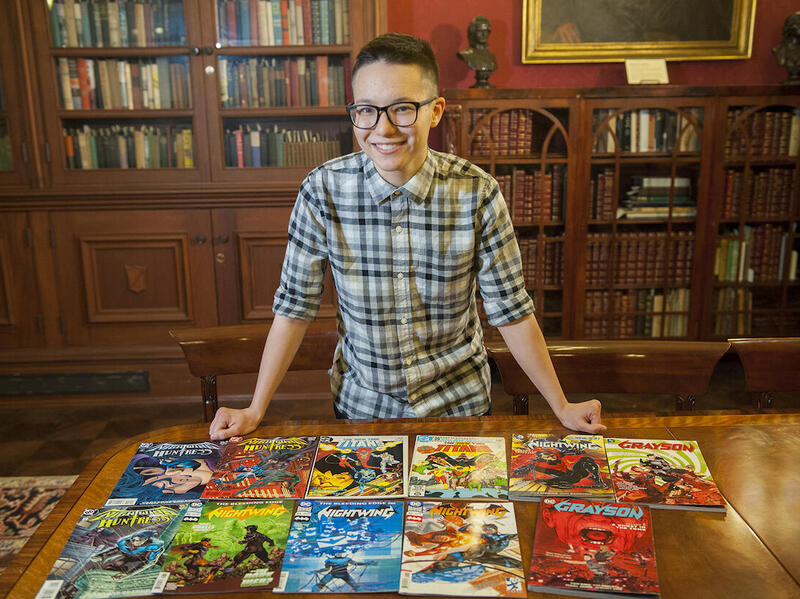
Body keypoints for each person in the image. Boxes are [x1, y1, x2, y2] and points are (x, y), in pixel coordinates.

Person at [209, 33, 605, 441]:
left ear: (435, 112)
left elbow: (511, 310)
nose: (382, 129)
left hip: (460, 407)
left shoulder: (478, 192)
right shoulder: (322, 190)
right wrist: (256, 409)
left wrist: (561, 405)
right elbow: (294, 308)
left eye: (401, 108)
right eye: (366, 110)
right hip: (362, 409)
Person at [457, 16, 497, 88]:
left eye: (485, 31)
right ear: (473, 33)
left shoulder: (492, 56)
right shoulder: (466, 54)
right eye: (479, 31)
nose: (483, 34)